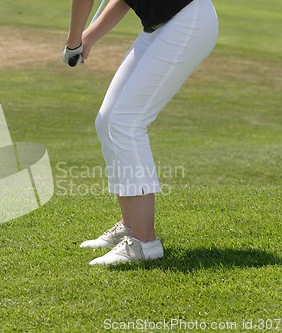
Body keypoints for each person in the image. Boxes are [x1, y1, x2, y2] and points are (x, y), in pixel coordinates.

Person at [62, 0, 218, 265]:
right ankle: (131, 227)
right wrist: (89, 37)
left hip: (187, 18)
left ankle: (145, 242)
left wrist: (74, 41)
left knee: (127, 122)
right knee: (108, 120)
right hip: (160, 26)